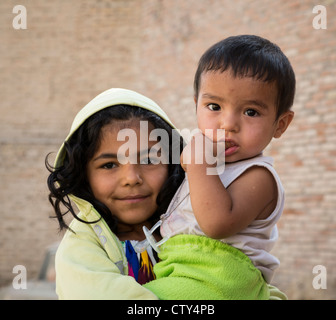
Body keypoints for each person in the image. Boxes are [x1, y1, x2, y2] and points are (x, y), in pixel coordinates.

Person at [143, 35, 295, 299]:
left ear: (280, 124)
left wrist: (199, 163)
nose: (228, 124)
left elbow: (215, 224)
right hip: (182, 268)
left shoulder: (259, 177)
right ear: (197, 106)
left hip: (221, 276)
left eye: (251, 112)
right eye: (214, 106)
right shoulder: (207, 161)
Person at [46, 88, 184, 299]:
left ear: (173, 164)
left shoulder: (193, 225)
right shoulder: (80, 250)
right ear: (84, 175)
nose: (131, 178)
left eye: (148, 160)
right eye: (109, 165)